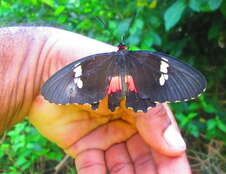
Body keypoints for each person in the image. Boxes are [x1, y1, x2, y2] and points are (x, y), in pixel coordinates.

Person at [0, 26, 191, 174]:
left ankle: (117, 96)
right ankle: (126, 95)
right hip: (133, 93)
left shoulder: (98, 62)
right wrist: (39, 61)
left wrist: (36, 59)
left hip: (115, 94)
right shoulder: (145, 59)